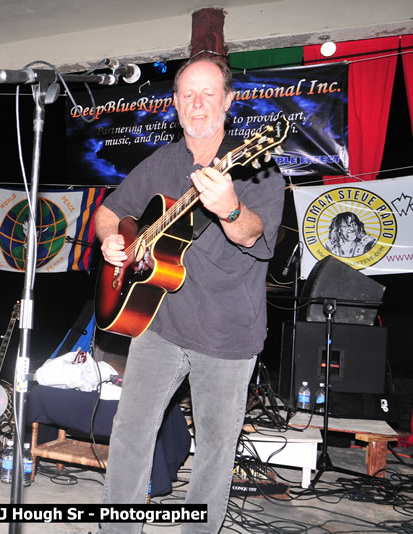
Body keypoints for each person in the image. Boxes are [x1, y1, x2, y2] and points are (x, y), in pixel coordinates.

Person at [93, 55, 285, 533]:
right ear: (175, 102)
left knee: (216, 451)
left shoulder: (257, 164)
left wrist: (229, 207)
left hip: (226, 331)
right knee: (131, 431)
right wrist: (111, 240)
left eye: (208, 94)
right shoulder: (164, 161)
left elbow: (252, 236)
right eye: (188, 95)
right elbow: (110, 210)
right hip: (157, 321)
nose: (197, 105)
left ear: (228, 101)